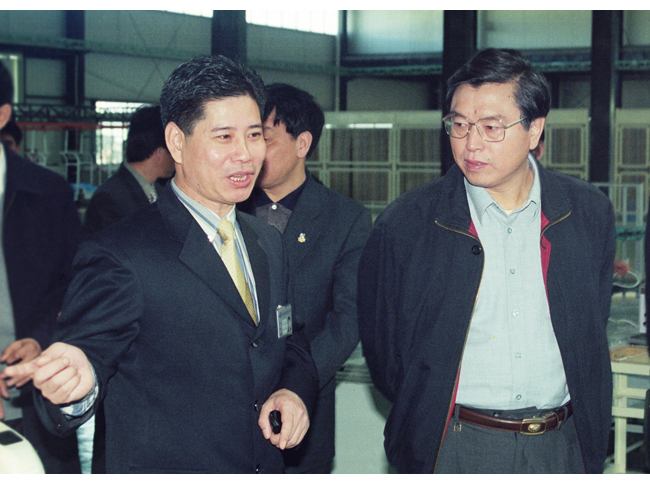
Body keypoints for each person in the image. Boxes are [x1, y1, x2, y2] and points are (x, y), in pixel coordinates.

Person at [1, 54, 318, 473]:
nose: (245, 154)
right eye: (224, 137)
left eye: (255, 135)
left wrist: (293, 391)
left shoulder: (267, 242)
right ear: (176, 142)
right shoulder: (122, 254)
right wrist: (75, 384)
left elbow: (289, 341)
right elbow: (84, 360)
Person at [358, 48, 615, 473]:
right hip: (456, 446)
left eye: (491, 127)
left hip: (563, 445)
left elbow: (591, 328)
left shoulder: (585, 213)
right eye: (459, 125)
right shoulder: (406, 225)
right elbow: (387, 356)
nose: (471, 144)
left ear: (534, 130)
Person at [239, 83, 372, 473]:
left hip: (303, 415)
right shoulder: (227, 211)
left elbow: (348, 320)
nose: (251, 151)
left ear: (302, 143)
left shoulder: (345, 219)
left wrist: (295, 383)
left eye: (263, 138)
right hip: (228, 413)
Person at [0, 61, 82, 472]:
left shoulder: (48, 195)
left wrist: (41, 337)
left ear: (2, 114)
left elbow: (75, 283)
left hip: (39, 402)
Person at [83, 104, 175, 234]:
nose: (177, 159)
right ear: (159, 153)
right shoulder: (109, 201)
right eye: (173, 151)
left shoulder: (160, 192)